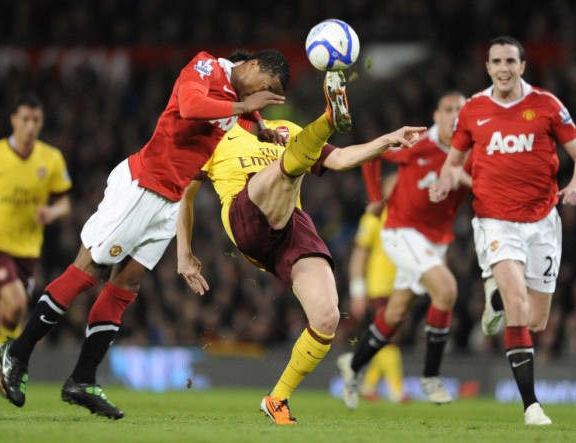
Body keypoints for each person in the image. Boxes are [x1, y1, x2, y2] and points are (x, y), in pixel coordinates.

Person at [0, 49, 290, 419]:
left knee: (125, 288)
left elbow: (237, 109)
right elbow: (190, 105)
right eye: (265, 89)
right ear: (252, 67)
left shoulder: (238, 99)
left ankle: (82, 381)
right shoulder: (205, 67)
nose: (260, 98)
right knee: (88, 270)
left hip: (169, 200)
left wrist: (260, 123)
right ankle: (17, 353)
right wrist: (246, 110)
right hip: (143, 186)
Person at [177, 70, 426, 425]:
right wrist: (183, 252)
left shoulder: (288, 130)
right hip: (245, 215)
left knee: (327, 317)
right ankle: (329, 117)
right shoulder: (216, 133)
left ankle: (277, 399)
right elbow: (186, 195)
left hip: (290, 225)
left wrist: (390, 138)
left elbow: (341, 159)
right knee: (287, 167)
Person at [430, 36, 576, 425]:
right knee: (518, 302)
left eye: (510, 61)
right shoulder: (473, 109)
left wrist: (575, 186)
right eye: (496, 61)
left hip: (543, 222)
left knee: (536, 321)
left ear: (522, 65)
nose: (503, 68)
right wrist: (446, 182)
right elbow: (453, 163)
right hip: (495, 220)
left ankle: (496, 298)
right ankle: (531, 406)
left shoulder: (547, 105)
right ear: (487, 67)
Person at [338, 92, 470, 409]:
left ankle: (352, 366)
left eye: (460, 111)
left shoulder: (473, 149)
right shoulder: (418, 142)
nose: (454, 116)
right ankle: (431, 376)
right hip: (400, 231)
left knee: (395, 314)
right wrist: (374, 198)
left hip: (435, 240)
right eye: (448, 110)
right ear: (436, 116)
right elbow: (373, 153)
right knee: (447, 289)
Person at [0, 93, 72, 401]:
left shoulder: (51, 158)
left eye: (36, 120)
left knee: (10, 316)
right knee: (17, 302)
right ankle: (6, 368)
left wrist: (52, 212)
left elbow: (64, 202)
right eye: (25, 119)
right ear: (13, 120)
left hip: (27, 248)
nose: (30, 126)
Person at [346, 178, 405, 404]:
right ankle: (396, 390)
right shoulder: (374, 217)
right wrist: (357, 290)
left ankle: (369, 385)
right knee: (389, 335)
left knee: (386, 335)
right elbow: (359, 255)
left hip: (401, 284)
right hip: (379, 284)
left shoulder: (406, 217)